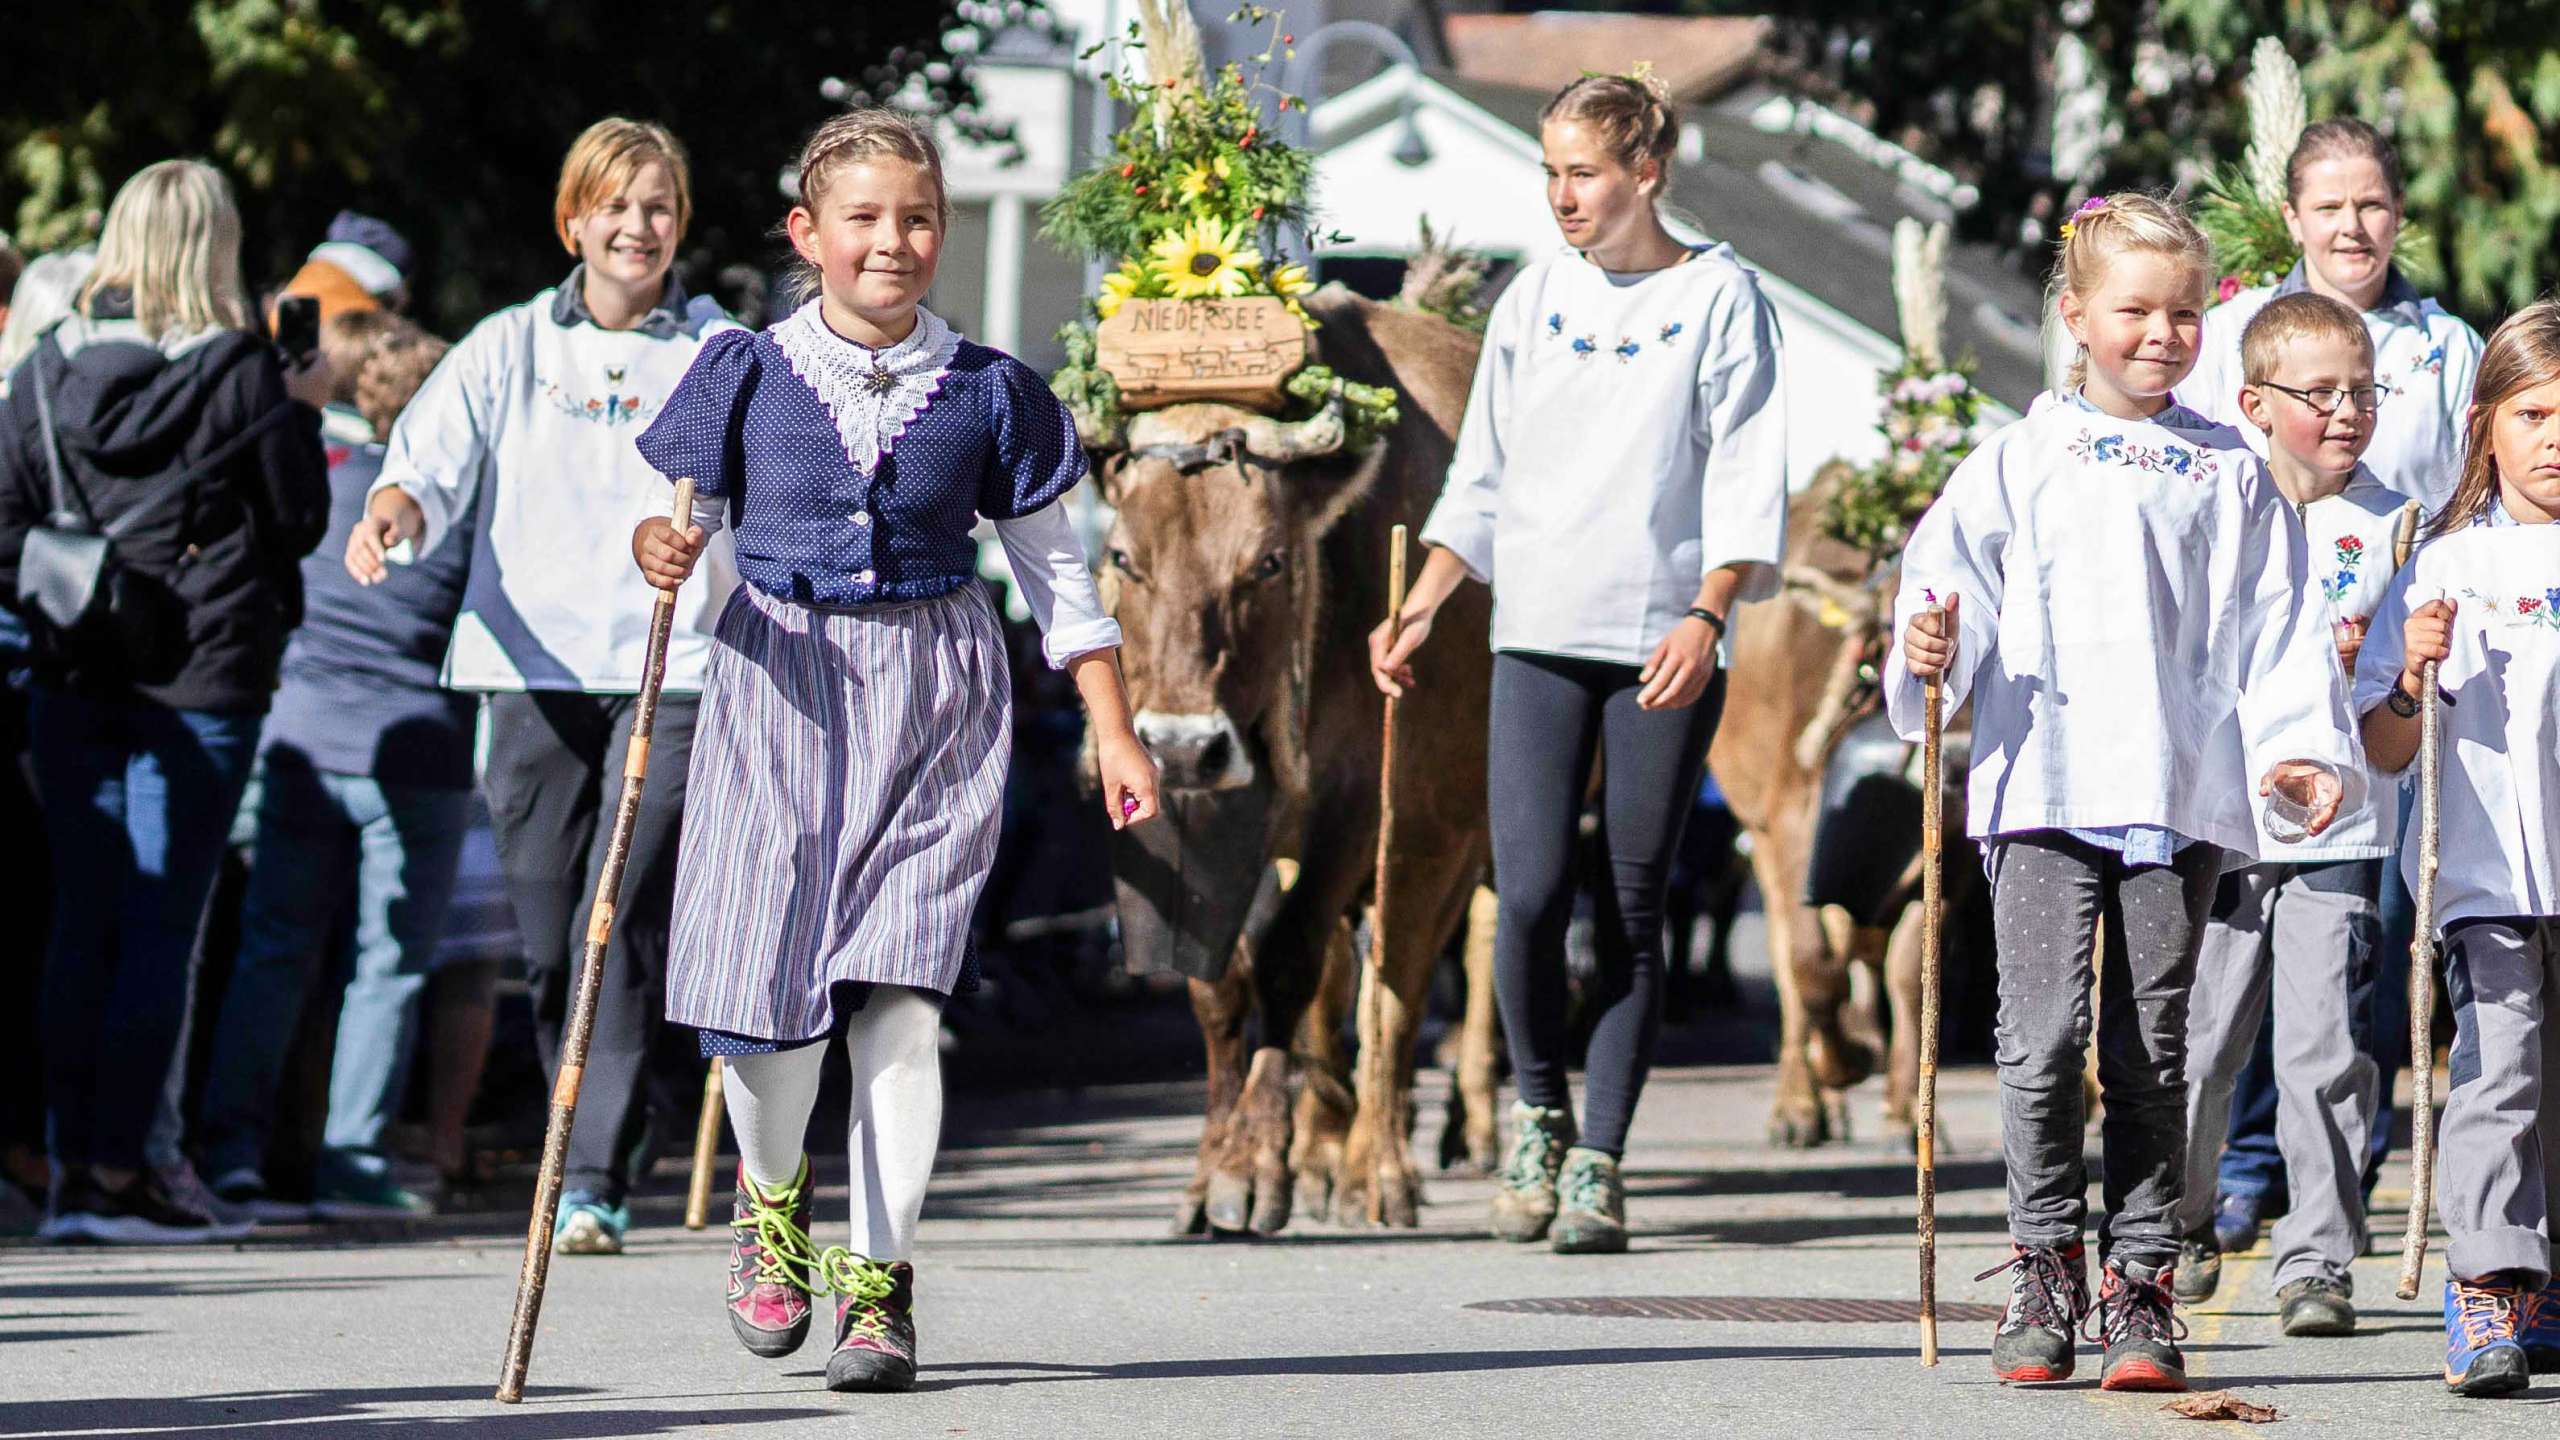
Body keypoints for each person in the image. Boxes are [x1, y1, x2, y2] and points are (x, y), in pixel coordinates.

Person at [627, 108, 1158, 1394]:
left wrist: (1114, 728)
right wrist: (661, 551)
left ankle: (879, 1284)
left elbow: (1060, 580)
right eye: (863, 219)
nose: (894, 242)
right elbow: (670, 525)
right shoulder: (739, 370)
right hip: (777, 686)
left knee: (902, 1004)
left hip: (936, 693)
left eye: (917, 218)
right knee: (768, 1008)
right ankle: (772, 1210)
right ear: (809, 235)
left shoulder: (990, 390)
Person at [1889, 193, 2358, 1391]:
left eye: (2185, 312)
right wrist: (1933, 650)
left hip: (2174, 788)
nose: (2162, 332)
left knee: (2153, 1048)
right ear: (2075, 317)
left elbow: (2274, 631)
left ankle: (2139, 1282)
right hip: (2042, 785)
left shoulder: (2229, 472)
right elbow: (1946, 587)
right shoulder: (2014, 459)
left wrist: (2295, 749)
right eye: (2135, 310)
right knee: (2040, 1041)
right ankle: (2043, 1266)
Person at [1367, 70, 1785, 1257]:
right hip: (1535, 629)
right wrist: (1423, 602)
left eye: (1584, 173)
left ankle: (1601, 1158)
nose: (1562, 195)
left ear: (1645, 170)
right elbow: (1481, 475)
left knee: (1630, 905)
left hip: (1661, 638)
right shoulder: (1531, 298)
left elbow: (1745, 473)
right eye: (1550, 172)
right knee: (1531, 891)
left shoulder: (1721, 299)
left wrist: (1707, 616)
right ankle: (1535, 1112)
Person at [349, 118, 739, 1256]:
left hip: (672, 671)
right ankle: (624, 1118)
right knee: (546, 934)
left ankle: (589, 1179)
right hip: (527, 674)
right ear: (573, 220)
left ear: (681, 225)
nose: (637, 226)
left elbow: (761, 493)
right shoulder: (508, 346)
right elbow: (426, 465)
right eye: (615, 205)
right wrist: (391, 515)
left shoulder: (719, 352)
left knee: (611, 920)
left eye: (658, 206)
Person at [0, 159, 332, 1241]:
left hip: (74, 669)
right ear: (215, 246)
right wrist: (299, 406)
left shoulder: (43, 368)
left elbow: (6, 523)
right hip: (204, 672)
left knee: (80, 925)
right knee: (160, 930)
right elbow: (296, 519)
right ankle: (123, 1175)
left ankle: (65, 1176)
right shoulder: (241, 370)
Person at [2184, 116, 2486, 1259]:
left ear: (2396, 214)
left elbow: (2463, 495)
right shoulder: (2232, 335)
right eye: (2329, 206)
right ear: (2293, 216)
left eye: (2372, 204)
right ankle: (2218, 1183)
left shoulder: (2439, 344)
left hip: (2379, 673)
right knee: (2213, 1014)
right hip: (2240, 753)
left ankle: (2328, 1216)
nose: (2353, 226)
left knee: (2347, 988)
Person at [195, 316, 472, 1221]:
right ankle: (352, 1160)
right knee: (386, 966)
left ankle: (231, 1152)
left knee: (273, 954)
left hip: (302, 740)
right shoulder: (458, 511)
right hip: (419, 751)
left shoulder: (316, 485)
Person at [2167, 293, 2404, 1335]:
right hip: (2222, 820)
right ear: (2254, 402)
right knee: (2203, 1035)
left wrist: (2392, 666)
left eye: (2362, 390)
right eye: (2320, 394)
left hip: (2338, 829)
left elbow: (2405, 677)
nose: (2346, 411)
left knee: (2324, 1047)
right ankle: (2168, 1225)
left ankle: (2318, 1254)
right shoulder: (2212, 503)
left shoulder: (2396, 525)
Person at [2355, 299, 2560, 1398]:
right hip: (2486, 875)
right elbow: (2385, 748)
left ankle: (2548, 1283)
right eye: (2533, 413)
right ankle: (2486, 1280)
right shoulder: (2443, 566)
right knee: (2503, 1075)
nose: (2554, 437)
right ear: (2485, 425)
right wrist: (2406, 676)